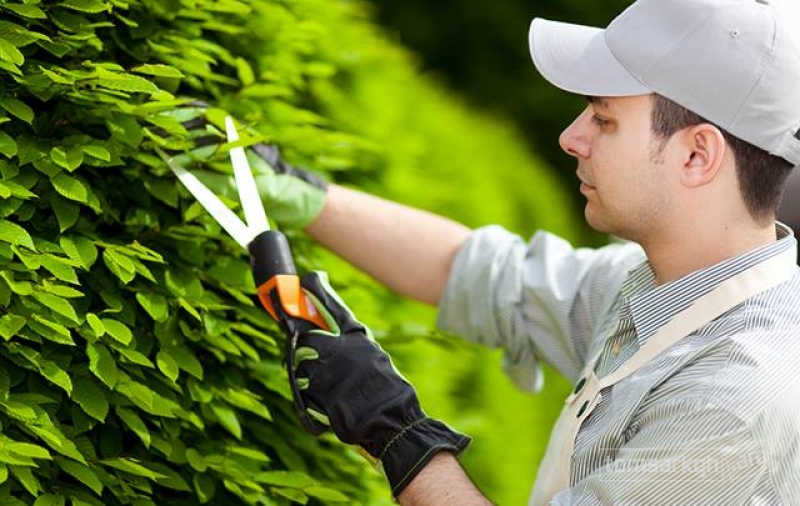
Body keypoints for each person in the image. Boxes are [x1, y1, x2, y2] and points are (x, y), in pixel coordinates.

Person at [180, 0, 800, 503]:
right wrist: (299, 195)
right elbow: (483, 273)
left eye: (603, 118)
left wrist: (395, 431)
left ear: (696, 155)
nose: (571, 136)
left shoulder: (735, 402)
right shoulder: (659, 287)